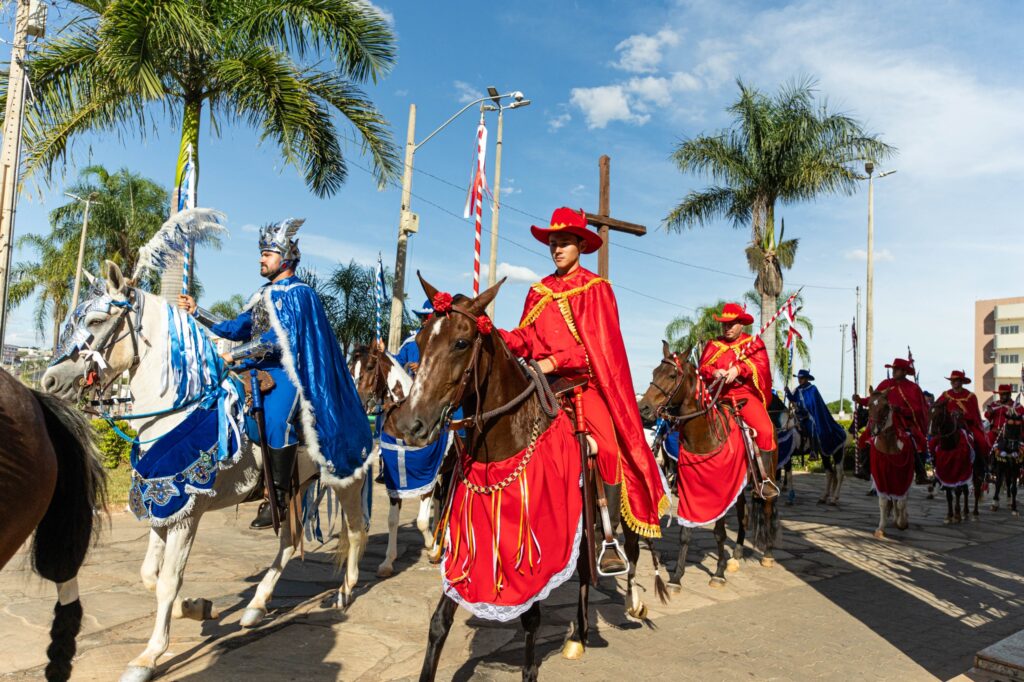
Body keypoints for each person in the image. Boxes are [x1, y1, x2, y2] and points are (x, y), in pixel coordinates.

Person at [179, 218, 372, 529]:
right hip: (252, 366)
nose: (261, 258)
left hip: (287, 371)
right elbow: (234, 327)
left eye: (267, 254)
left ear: (286, 258)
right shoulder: (262, 294)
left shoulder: (298, 293)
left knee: (275, 421)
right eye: (262, 253)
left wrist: (233, 353)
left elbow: (281, 338)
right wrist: (197, 311)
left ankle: (277, 496)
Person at [499, 207, 668, 543]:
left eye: (563, 243)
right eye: (552, 244)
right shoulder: (539, 290)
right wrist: (497, 336)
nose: (557, 249)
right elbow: (527, 336)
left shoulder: (595, 288)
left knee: (606, 448)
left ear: (580, 245)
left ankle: (608, 528)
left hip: (582, 387)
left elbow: (598, 352)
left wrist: (553, 362)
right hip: (541, 386)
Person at [698, 302, 778, 497]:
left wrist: (739, 369)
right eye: (725, 324)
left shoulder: (753, 343)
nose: (728, 327)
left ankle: (764, 479)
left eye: (732, 323)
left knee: (766, 430)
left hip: (744, 396)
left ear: (741, 323)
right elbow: (702, 368)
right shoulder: (713, 345)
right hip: (718, 397)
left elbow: (760, 367)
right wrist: (714, 371)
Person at [867, 358, 930, 484]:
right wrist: (860, 400)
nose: (894, 371)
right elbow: (874, 398)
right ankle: (865, 468)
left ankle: (920, 473)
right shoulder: (886, 383)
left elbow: (918, 409)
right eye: (893, 369)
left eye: (897, 369)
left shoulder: (913, 388)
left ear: (905, 372)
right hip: (885, 421)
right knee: (866, 438)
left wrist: (900, 409)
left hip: (904, 422)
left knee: (917, 441)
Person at [786, 369, 847, 459]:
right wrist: (787, 391)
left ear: (806, 379)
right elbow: (793, 398)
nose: (799, 380)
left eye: (801, 378)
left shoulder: (812, 389)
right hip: (799, 415)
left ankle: (813, 451)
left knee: (811, 426)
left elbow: (811, 404)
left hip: (810, 415)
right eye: (799, 378)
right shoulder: (798, 389)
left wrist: (801, 406)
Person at [935, 370, 987, 455]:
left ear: (961, 381)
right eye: (952, 380)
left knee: (982, 442)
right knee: (932, 442)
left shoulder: (970, 396)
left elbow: (974, 416)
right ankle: (933, 462)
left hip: (966, 425)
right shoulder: (945, 394)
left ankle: (982, 465)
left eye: (956, 380)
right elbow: (937, 408)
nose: (953, 382)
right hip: (948, 427)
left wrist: (962, 414)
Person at [393, 299, 432, 376]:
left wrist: (422, 368)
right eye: (422, 316)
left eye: (428, 316)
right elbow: (398, 362)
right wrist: (384, 352)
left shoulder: (442, 343)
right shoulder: (411, 341)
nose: (424, 320)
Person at [986, 384, 1023, 449]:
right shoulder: (994, 404)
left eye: (1003, 394)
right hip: (995, 433)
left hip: (1012, 435)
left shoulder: (1017, 406)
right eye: (1000, 394)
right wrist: (989, 413)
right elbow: (987, 416)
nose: (1001, 396)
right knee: (986, 439)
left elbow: (1021, 417)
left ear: (1009, 395)